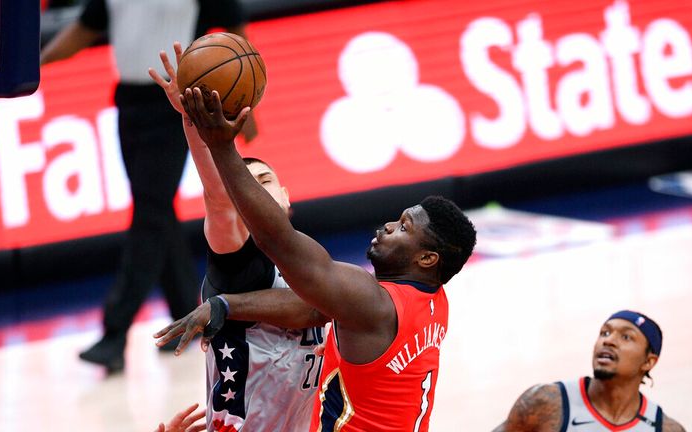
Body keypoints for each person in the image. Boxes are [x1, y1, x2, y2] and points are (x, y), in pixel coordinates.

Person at [171, 87, 477, 431]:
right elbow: (314, 308)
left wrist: (222, 146)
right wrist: (226, 305)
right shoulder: (432, 301)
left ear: (426, 258)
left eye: (403, 227)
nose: (389, 226)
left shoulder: (370, 301)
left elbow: (276, 239)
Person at [40, 0, 256, 373]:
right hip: (128, 102)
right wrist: (34, 64)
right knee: (155, 210)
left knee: (150, 214)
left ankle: (114, 333)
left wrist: (247, 103)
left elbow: (236, 35)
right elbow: (84, 30)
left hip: (175, 105)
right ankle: (183, 317)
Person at [150, 44, 328, 432]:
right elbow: (219, 199)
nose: (257, 193)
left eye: (265, 182)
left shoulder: (316, 261)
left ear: (286, 195)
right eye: (248, 188)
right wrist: (196, 124)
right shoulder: (239, 259)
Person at [493, 310, 686, 432]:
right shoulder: (545, 402)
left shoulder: (664, 428)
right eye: (605, 333)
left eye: (626, 337)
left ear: (648, 362)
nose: (608, 341)